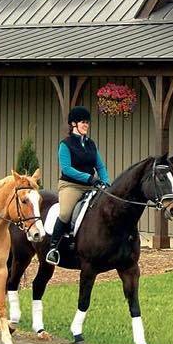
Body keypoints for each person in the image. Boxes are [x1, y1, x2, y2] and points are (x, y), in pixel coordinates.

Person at [45, 106, 110, 265]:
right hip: (70, 186)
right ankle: (53, 248)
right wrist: (89, 178)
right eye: (83, 122)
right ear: (73, 124)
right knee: (66, 213)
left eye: (87, 122)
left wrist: (106, 182)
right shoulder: (65, 145)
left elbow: (100, 166)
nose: (86, 125)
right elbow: (67, 169)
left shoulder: (91, 144)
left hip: (90, 186)